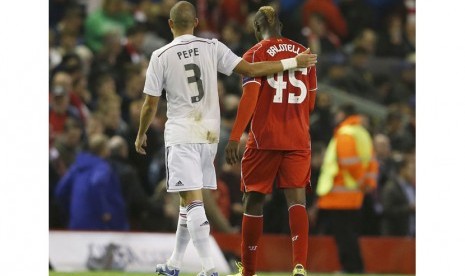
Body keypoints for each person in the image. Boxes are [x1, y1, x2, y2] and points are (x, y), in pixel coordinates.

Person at [134, 2, 317, 276]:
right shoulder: (214, 46)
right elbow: (295, 92)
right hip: (219, 135)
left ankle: (216, 268)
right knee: (295, 200)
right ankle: (175, 262)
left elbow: (150, 104)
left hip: (192, 133)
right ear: (196, 22)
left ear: (171, 24)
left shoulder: (161, 55)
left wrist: (141, 133)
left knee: (208, 199)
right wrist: (294, 64)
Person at [224, 6, 318, 276]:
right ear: (281, 27)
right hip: (298, 138)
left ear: (256, 28)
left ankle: (249, 270)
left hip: (265, 138)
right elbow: (310, 102)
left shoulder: (254, 55)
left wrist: (234, 137)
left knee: (252, 199)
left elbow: (250, 99)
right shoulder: (305, 54)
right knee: (296, 201)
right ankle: (299, 265)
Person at [314, 104, 378, 273]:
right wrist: (367, 184)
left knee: (344, 235)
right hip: (355, 194)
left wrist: (361, 182)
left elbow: (349, 163)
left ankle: (351, 268)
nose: (335, 117)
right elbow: (371, 162)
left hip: (340, 195)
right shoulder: (362, 133)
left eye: (337, 113)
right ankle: (355, 267)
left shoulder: (345, 134)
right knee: (350, 234)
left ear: (343, 114)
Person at [54, 134, 129, 231]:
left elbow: (60, 190)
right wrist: (103, 211)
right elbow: (96, 184)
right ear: (104, 150)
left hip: (76, 222)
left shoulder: (76, 167)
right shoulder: (102, 167)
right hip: (96, 225)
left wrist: (71, 207)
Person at [381, 155, 415, 236]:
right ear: (402, 170)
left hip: (411, 234)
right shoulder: (391, 187)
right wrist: (409, 208)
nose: (415, 174)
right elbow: (387, 211)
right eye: (413, 171)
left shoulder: (412, 187)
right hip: (396, 236)